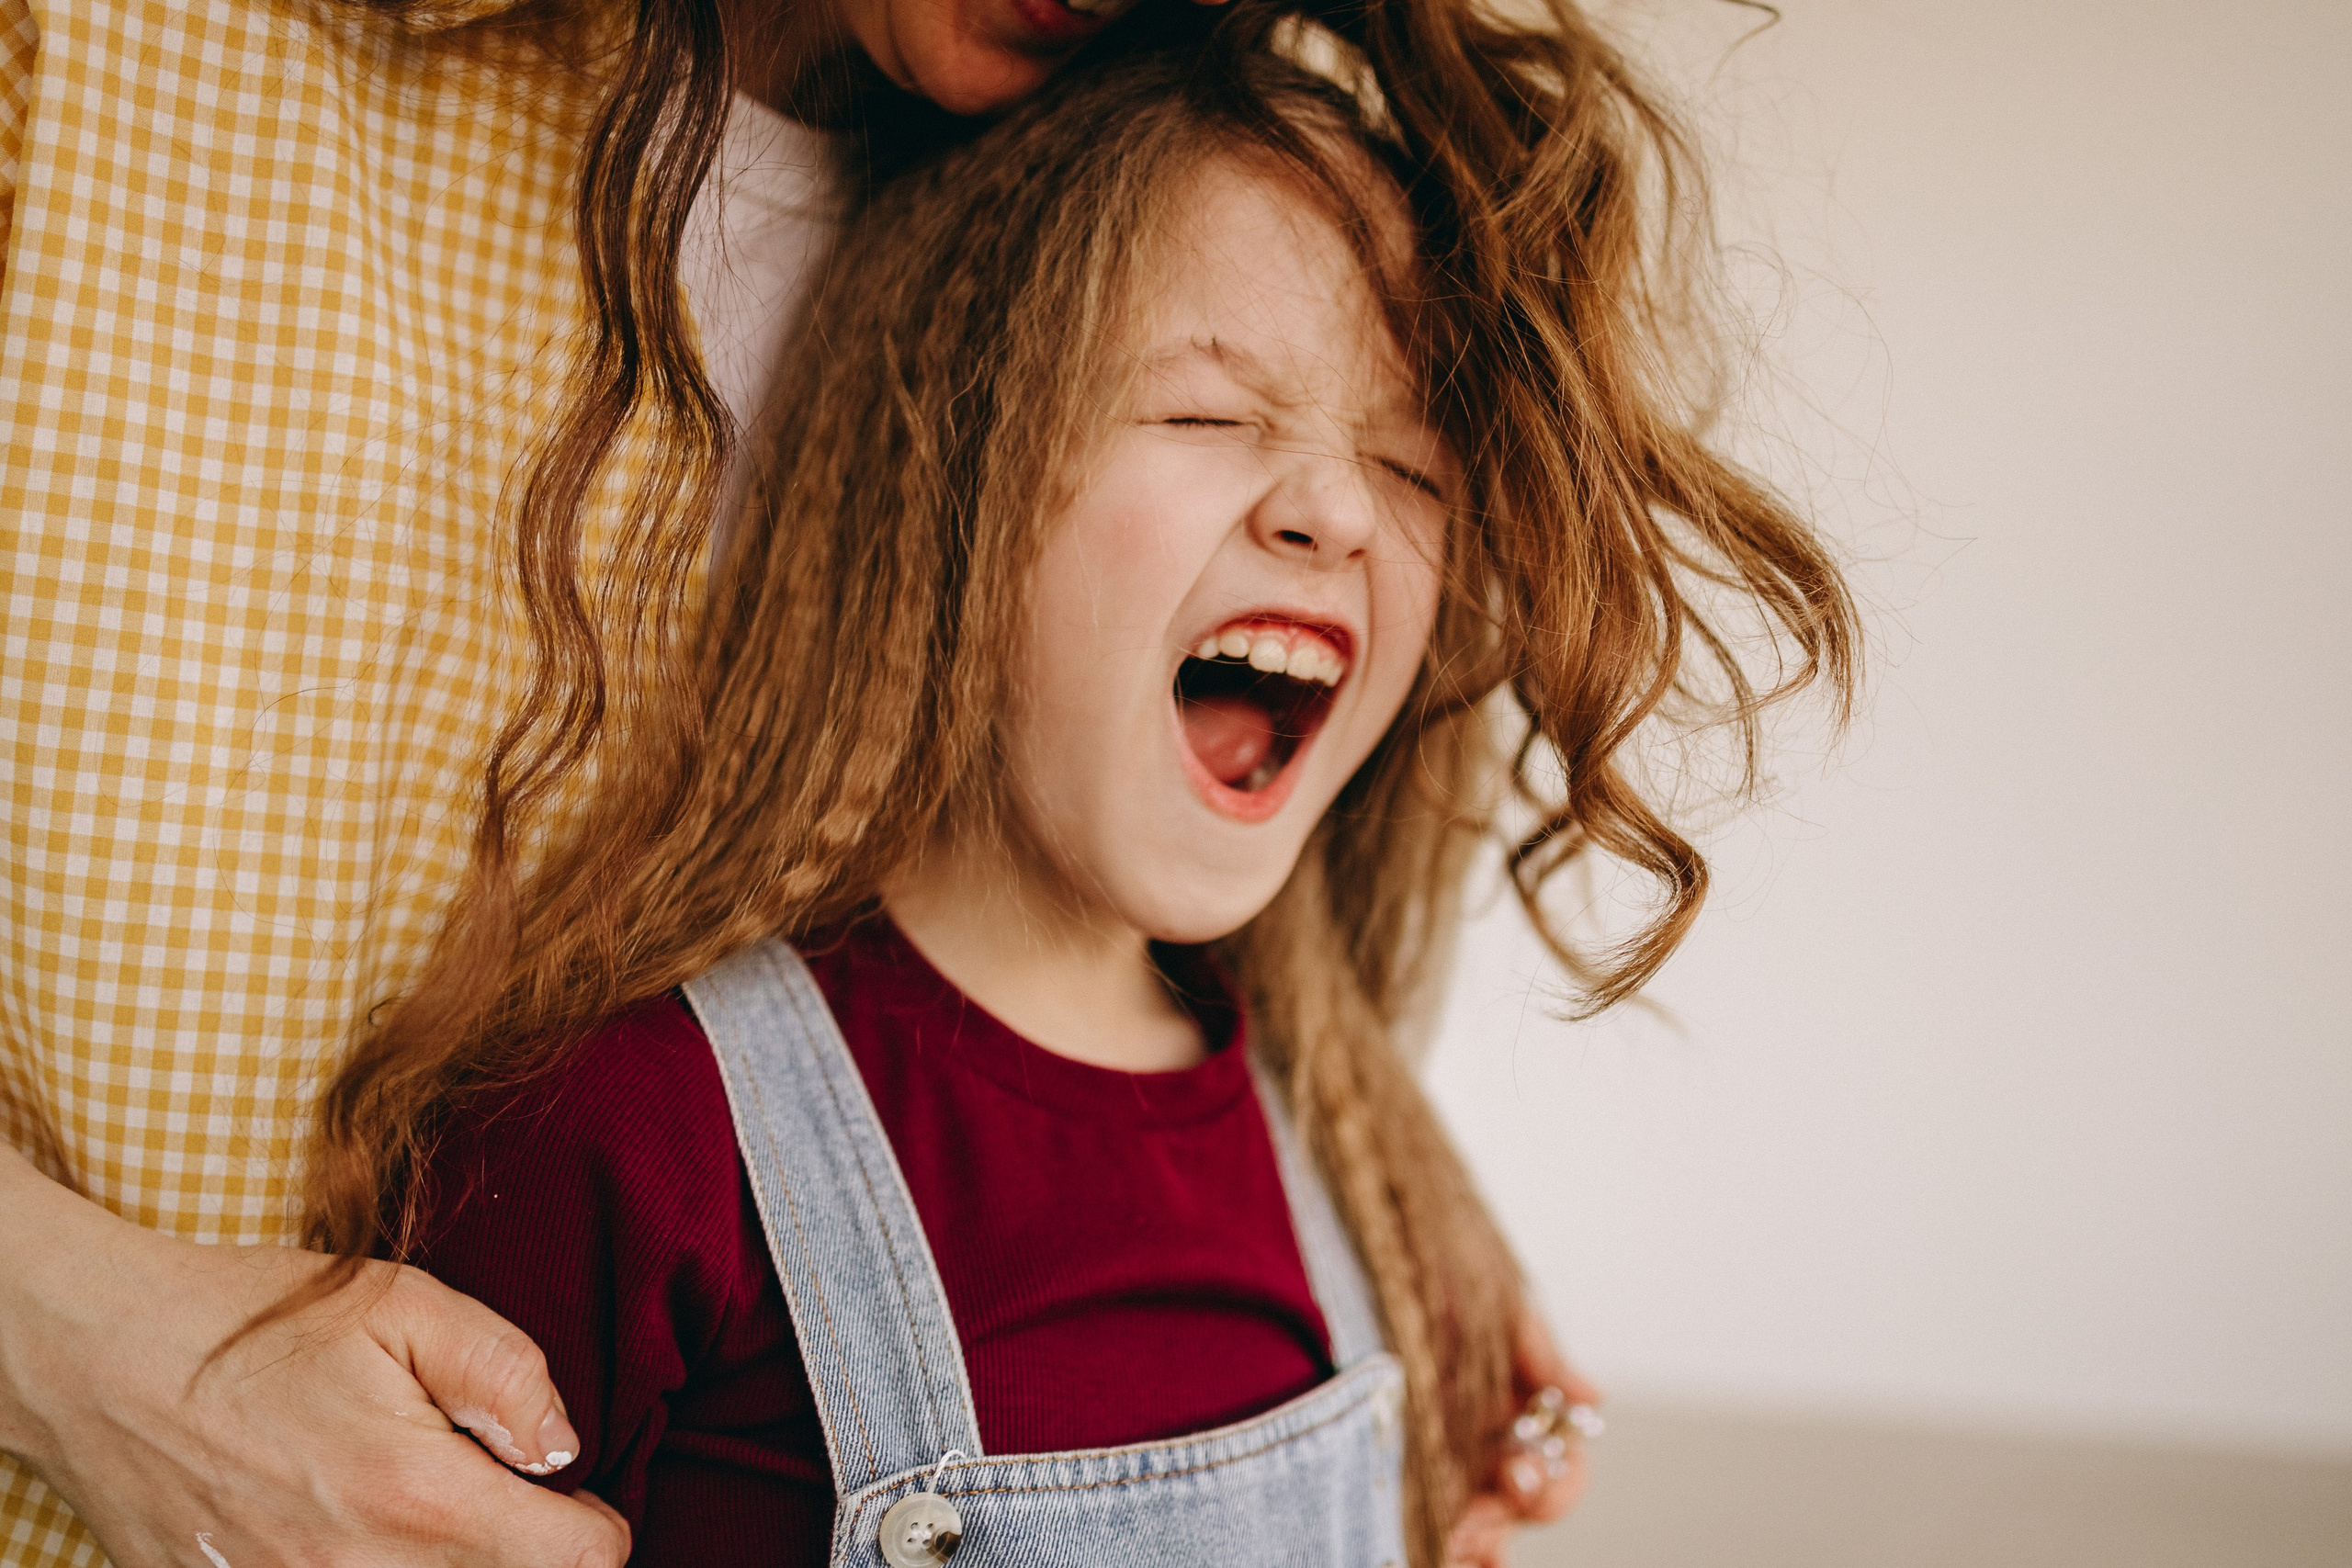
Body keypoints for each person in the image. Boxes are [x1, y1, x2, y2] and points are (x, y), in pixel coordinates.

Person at [0, 3, 1841, 1566]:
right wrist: (76, 1342)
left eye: (1413, 469)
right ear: (936, 474)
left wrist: (1364, 1171)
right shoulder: (633, 1146)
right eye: (1206, 419)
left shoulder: (1168, 140)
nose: (1334, 505)